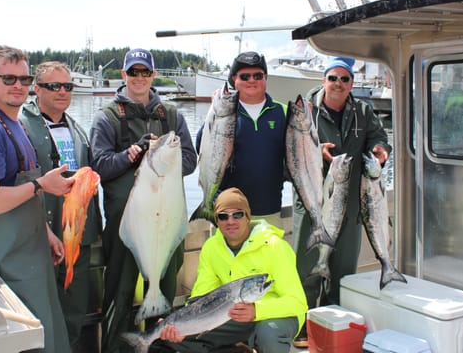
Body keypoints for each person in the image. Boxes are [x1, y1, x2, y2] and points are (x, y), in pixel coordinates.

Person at [0, 45, 72, 353]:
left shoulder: (14, 125)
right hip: (4, 262)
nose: (18, 85)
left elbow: (19, 188)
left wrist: (45, 233)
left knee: (49, 335)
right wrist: (41, 186)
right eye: (8, 78)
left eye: (23, 78)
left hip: (28, 254)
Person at [89, 48, 197, 353]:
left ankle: (159, 348)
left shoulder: (172, 115)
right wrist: (130, 155)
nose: (139, 78)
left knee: (164, 293)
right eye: (133, 72)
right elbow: (99, 165)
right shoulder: (107, 116)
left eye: (145, 72)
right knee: (120, 296)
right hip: (128, 226)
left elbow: (190, 159)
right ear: (124, 76)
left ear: (152, 75)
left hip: (166, 222)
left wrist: (166, 155)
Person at [292, 56, 391, 345]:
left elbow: (379, 138)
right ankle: (304, 323)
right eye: (333, 78)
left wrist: (381, 151)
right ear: (323, 79)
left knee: (344, 270)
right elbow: (292, 148)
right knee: (308, 267)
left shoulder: (363, 110)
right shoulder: (304, 110)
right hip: (311, 204)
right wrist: (316, 151)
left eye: (344, 79)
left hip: (350, 207)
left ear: (351, 83)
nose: (338, 84)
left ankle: (336, 326)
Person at [152, 187, 307, 353]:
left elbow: (297, 303)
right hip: (231, 315)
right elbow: (200, 297)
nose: (230, 221)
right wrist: (182, 326)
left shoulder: (276, 247)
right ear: (216, 221)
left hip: (275, 315)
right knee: (162, 342)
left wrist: (257, 310)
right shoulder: (211, 247)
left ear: (248, 216)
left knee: (268, 335)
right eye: (223, 216)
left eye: (237, 214)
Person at [20, 61, 103, 348]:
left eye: (67, 86)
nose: (62, 92)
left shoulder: (76, 128)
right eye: (53, 86)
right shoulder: (21, 128)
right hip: (42, 237)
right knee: (42, 314)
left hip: (79, 236)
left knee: (74, 310)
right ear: (37, 89)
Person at [196, 51, 287, 224]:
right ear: (234, 80)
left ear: (266, 77)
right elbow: (201, 146)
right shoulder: (222, 111)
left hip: (269, 209)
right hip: (227, 212)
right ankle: (206, 207)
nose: (251, 80)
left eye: (257, 75)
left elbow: (299, 153)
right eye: (244, 76)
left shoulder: (283, 112)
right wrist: (213, 112)